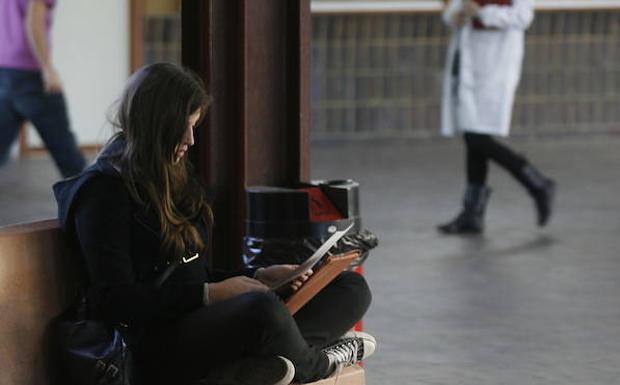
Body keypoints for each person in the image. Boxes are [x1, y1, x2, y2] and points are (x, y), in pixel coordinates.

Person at [53, 63, 375, 385]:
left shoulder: (172, 173)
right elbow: (115, 301)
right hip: (153, 346)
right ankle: (317, 364)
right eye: (183, 126)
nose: (191, 139)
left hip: (199, 324)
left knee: (350, 288)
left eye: (194, 126)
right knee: (261, 312)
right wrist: (210, 294)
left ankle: (251, 367)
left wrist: (256, 276)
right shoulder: (103, 192)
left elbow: (186, 274)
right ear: (155, 124)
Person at [438, 0, 556, 234]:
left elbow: (523, 17)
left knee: (476, 137)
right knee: (473, 135)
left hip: (494, 66)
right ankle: (472, 214)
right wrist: (455, 15)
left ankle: (537, 183)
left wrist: (482, 13)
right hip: (467, 60)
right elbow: (455, 7)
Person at [0, 0, 85, 177]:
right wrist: (47, 68)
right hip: (30, 74)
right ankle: (91, 201)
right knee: (67, 154)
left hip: (5, 70)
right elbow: (34, 20)